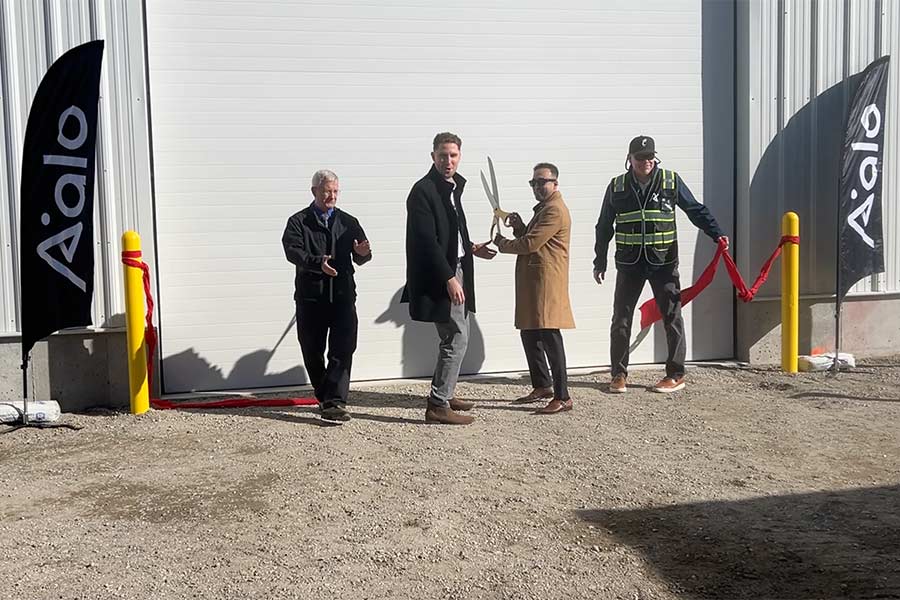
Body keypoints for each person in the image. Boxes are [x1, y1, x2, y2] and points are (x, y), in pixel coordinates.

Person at [594, 136, 728, 394]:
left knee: (672, 317)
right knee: (621, 319)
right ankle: (618, 375)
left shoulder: (670, 181)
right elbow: (604, 225)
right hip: (629, 264)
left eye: (649, 156)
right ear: (629, 159)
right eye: (640, 157)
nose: (646, 161)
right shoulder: (617, 186)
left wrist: (716, 233)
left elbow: (695, 210)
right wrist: (599, 259)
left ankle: (676, 374)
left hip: (663, 263)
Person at [402, 132, 496, 425]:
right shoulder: (424, 190)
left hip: (457, 268)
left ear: (459, 157)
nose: (448, 160)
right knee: (457, 336)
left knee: (454, 334)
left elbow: (451, 233)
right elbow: (426, 241)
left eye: (453, 155)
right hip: (441, 274)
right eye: (442, 155)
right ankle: (438, 404)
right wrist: (448, 278)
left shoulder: (452, 188)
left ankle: (446, 390)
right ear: (433, 156)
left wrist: (471, 249)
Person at [282, 169, 372, 422]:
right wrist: (316, 262)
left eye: (335, 191)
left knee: (343, 348)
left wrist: (363, 252)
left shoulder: (349, 221)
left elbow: (362, 255)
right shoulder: (298, 221)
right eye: (326, 191)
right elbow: (292, 251)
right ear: (314, 192)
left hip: (343, 296)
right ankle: (324, 393)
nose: (331, 196)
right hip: (311, 298)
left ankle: (334, 402)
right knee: (311, 349)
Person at [494, 163, 575, 414]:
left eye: (543, 182)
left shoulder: (554, 210)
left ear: (555, 183)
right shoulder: (545, 209)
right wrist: (519, 226)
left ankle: (563, 396)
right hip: (535, 282)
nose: (538, 187)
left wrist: (503, 242)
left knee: (551, 336)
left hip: (547, 283)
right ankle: (542, 384)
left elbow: (531, 243)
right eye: (534, 183)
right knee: (529, 332)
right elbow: (532, 236)